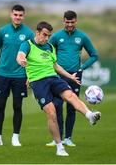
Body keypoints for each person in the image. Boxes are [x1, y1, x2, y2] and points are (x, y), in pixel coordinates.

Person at [16, 21, 101, 156]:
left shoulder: (50, 47)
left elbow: (56, 66)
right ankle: (60, 147)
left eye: (49, 35)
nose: (47, 38)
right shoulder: (27, 44)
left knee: (71, 96)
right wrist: (22, 61)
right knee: (52, 112)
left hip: (54, 78)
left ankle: (89, 115)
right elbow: (20, 55)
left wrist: (70, 77)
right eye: (44, 35)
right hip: (38, 83)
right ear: (37, 33)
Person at [46, 10, 99, 147]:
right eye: (67, 22)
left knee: (72, 107)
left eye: (72, 22)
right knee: (57, 106)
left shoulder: (82, 37)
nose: (70, 24)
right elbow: (47, 51)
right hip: (58, 75)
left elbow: (94, 55)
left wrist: (82, 68)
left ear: (76, 21)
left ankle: (68, 138)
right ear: (63, 21)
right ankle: (57, 138)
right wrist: (51, 66)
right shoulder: (57, 37)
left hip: (75, 76)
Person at [0, 4, 34, 146]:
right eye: (15, 14)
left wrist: (29, 75)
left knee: (17, 106)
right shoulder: (3, 31)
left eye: (20, 15)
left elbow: (32, 57)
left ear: (23, 16)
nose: (17, 17)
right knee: (0, 105)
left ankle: (15, 137)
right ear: (11, 15)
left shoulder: (29, 34)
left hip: (20, 76)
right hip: (3, 75)